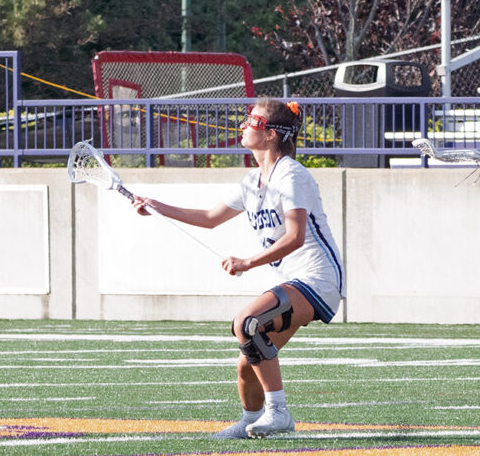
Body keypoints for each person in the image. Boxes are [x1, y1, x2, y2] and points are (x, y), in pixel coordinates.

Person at [131, 98, 345, 439]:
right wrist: (158, 207)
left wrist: (248, 262)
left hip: (315, 278)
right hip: (292, 280)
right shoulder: (252, 181)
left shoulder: (291, 174)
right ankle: (250, 421)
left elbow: (295, 236)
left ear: (271, 134)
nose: (244, 125)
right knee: (249, 362)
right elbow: (210, 219)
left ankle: (280, 414)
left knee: (246, 323)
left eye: (252, 121)